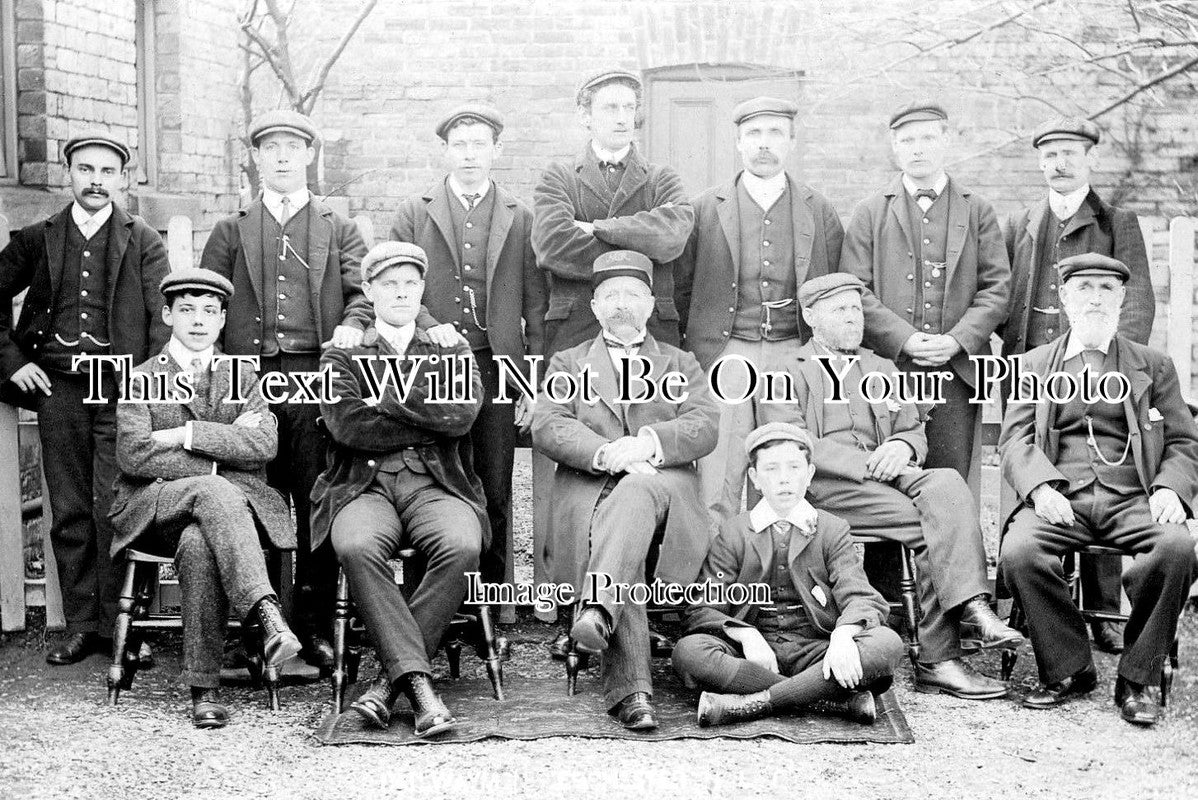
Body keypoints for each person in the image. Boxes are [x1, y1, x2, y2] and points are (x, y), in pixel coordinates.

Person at [786, 273, 1021, 699]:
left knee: (945, 483)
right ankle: (947, 646)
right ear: (810, 316)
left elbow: (913, 429)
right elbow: (792, 442)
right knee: (937, 521)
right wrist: (873, 463)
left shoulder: (881, 367)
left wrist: (899, 443)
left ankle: (962, 629)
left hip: (885, 488)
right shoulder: (787, 370)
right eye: (840, 310)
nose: (853, 319)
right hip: (824, 489)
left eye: (857, 309)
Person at [199, 109, 372, 672]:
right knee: (254, 499)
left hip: (312, 379)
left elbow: (362, 294)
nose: (280, 156)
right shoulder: (232, 229)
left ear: (308, 156)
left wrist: (352, 321)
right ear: (256, 158)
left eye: (291, 147)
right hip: (250, 384)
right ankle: (259, 627)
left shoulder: (336, 226)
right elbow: (207, 303)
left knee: (313, 497)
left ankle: (315, 624)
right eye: (269, 147)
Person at [999, 253, 1198, 727]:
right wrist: (1042, 489)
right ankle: (1070, 666)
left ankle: (1137, 675)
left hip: (1134, 497)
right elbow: (1015, 441)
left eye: (1106, 289)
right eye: (1083, 288)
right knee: (1020, 553)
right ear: (1064, 297)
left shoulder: (1153, 365)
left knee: (1176, 547)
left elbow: (1185, 440)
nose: (1094, 299)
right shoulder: (1034, 365)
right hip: (1060, 499)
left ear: (1121, 299)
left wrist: (1171, 487)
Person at [531, 67, 693, 639]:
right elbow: (552, 244)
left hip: (650, 330)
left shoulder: (663, 177)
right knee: (575, 466)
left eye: (629, 107)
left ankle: (640, 604)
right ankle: (568, 603)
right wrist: (633, 238)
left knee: (648, 461)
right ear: (586, 115)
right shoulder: (557, 176)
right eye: (609, 108)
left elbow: (673, 235)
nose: (622, 117)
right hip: (575, 327)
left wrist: (595, 226)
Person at [0, 132, 169, 664]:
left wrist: (145, 383)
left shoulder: (143, 240)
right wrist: (15, 362)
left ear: (123, 178)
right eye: (85, 169)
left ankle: (123, 626)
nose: (96, 180)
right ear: (68, 172)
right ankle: (80, 624)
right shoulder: (38, 238)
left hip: (120, 390)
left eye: (107, 171)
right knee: (70, 506)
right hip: (60, 387)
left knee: (117, 506)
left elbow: (162, 322)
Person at [532, 250, 718, 730]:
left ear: (651, 304)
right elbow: (550, 424)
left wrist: (648, 444)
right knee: (625, 541)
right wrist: (607, 452)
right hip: (591, 485)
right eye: (610, 295)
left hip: (664, 486)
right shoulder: (568, 362)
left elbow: (704, 425)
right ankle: (632, 693)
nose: (621, 304)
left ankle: (597, 611)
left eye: (632, 294)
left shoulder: (681, 362)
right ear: (594, 307)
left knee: (634, 495)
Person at [109, 268, 299, 728]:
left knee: (199, 544)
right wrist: (221, 451)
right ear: (169, 314)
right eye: (188, 310)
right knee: (214, 489)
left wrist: (185, 433)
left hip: (226, 515)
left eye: (209, 312)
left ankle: (204, 690)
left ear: (221, 321)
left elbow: (263, 446)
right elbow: (135, 454)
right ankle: (266, 612)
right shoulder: (142, 378)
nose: (198, 321)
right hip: (157, 505)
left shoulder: (242, 375)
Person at [312, 242, 486, 738]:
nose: (402, 293)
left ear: (423, 288)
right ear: (367, 291)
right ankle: (419, 688)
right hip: (362, 484)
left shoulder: (450, 347)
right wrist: (422, 407)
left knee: (462, 543)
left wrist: (382, 400)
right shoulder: (342, 352)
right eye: (389, 284)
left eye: (411, 283)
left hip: (435, 482)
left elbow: (459, 417)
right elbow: (348, 426)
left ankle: (389, 687)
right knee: (356, 544)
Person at [1001, 116, 1156, 655]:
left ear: (1090, 158)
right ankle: (1025, 601)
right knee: (1028, 469)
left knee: (1103, 464)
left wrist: (1113, 368)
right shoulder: (1023, 221)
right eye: (1050, 155)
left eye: (1070, 153)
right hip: (1035, 367)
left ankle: (1106, 610)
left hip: (1099, 367)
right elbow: (1006, 293)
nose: (1059, 164)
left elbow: (1136, 303)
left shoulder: (1116, 220)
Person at [389, 103, 546, 597]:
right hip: (430, 366)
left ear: (497, 150)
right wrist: (429, 324)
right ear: (445, 151)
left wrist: (532, 383)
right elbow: (393, 287)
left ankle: (491, 600)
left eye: (480, 144)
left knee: (494, 483)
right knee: (431, 479)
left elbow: (536, 307)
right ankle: (426, 600)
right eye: (460, 144)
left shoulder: (520, 217)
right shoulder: (416, 212)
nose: (470, 154)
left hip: (497, 367)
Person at [675, 96, 844, 530]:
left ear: (791, 142)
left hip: (792, 351)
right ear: (737, 141)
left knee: (786, 468)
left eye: (775, 134)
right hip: (726, 355)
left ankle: (785, 578)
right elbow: (680, 289)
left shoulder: (818, 210)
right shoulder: (704, 208)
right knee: (719, 473)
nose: (764, 144)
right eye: (754, 134)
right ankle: (718, 584)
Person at [672, 422, 904, 727]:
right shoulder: (735, 532)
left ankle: (756, 702)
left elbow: (859, 595)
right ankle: (832, 698)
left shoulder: (832, 529)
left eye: (794, 467)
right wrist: (746, 634)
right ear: (755, 478)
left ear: (808, 474)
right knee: (688, 652)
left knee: (886, 644)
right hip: (755, 654)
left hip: (818, 648)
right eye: (771, 469)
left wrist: (844, 636)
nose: (784, 479)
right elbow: (702, 607)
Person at [840, 100, 1010, 483]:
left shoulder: (977, 209)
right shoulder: (870, 212)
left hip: (957, 371)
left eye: (927, 138)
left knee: (951, 480)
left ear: (945, 142)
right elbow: (855, 290)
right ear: (894, 147)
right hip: (889, 369)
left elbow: (997, 288)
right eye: (907, 140)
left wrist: (956, 340)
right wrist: (905, 338)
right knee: (889, 478)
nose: (918, 148)